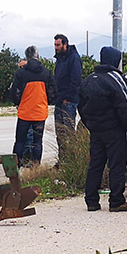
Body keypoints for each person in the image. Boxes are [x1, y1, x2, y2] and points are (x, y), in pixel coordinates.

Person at [79, 46, 127, 212]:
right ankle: (116, 201)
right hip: (114, 129)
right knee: (117, 164)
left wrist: (89, 124)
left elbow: (81, 105)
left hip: (95, 129)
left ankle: (91, 201)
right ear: (115, 60)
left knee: (95, 164)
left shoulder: (89, 79)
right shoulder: (115, 78)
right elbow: (125, 103)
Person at [9, 45, 56, 166]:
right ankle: (35, 166)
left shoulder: (21, 73)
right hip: (40, 113)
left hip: (25, 113)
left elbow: (15, 92)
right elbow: (52, 92)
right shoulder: (46, 73)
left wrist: (18, 103)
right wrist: (47, 101)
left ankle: (16, 166)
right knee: (38, 142)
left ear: (26, 57)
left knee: (20, 141)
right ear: (38, 56)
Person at [52, 33, 83, 165]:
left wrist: (68, 98)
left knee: (68, 132)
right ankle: (62, 160)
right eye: (55, 45)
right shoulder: (59, 59)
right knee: (59, 132)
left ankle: (71, 160)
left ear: (65, 44)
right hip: (59, 100)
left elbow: (76, 79)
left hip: (68, 101)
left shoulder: (74, 58)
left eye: (58, 45)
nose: (56, 47)